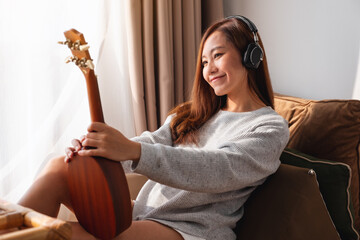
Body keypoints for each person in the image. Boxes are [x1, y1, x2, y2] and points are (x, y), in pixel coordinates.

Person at [18, 16, 289, 240]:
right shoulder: (195, 115)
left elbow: (217, 167)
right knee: (58, 167)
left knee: (56, 234)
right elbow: (151, 142)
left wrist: (132, 151)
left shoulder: (269, 127)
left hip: (190, 230)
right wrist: (98, 152)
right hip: (146, 213)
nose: (209, 70)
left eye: (218, 55)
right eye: (204, 62)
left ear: (251, 57)